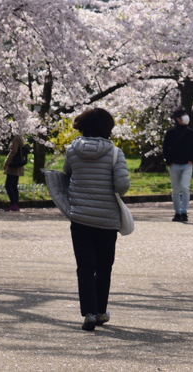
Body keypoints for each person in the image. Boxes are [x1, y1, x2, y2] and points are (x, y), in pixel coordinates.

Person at [64, 107, 130, 331]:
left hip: (80, 218)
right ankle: (101, 311)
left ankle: (89, 313)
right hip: (106, 219)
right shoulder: (115, 153)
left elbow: (66, 176)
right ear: (107, 128)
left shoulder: (72, 150)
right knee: (104, 266)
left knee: (84, 266)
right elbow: (122, 186)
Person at [162, 107, 193, 222]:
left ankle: (184, 211)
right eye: (183, 115)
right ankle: (177, 212)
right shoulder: (170, 133)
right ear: (178, 119)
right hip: (174, 165)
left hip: (187, 165)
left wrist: (191, 160)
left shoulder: (192, 133)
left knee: (185, 187)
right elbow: (165, 148)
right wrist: (169, 162)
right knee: (175, 189)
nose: (186, 116)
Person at [3, 134, 25, 212]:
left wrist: (6, 163)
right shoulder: (20, 137)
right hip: (18, 165)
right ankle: (15, 204)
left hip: (14, 166)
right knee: (13, 185)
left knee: (8, 185)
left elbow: (13, 151)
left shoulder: (15, 139)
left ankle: (14, 204)